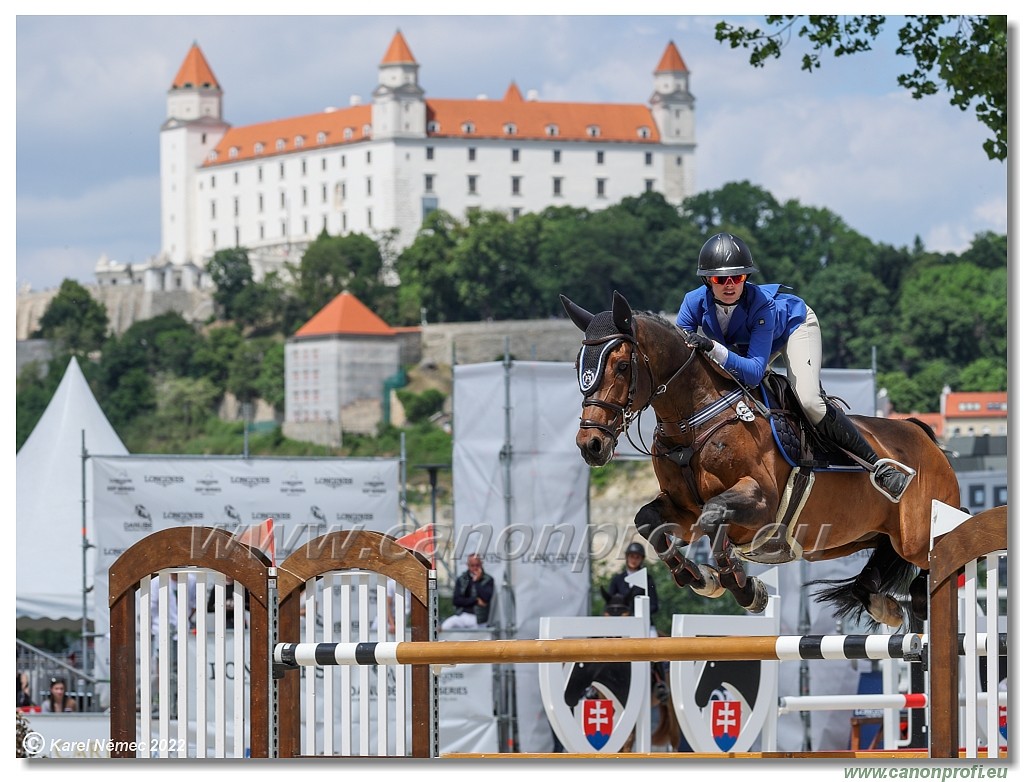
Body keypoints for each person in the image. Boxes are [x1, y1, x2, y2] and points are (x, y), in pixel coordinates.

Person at [674, 232, 911, 502]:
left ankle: (878, 466)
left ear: (746, 278)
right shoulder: (692, 302)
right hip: (747, 345)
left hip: (794, 327)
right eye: (720, 279)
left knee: (809, 401)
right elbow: (682, 356)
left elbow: (753, 372)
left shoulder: (761, 305)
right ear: (707, 280)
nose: (730, 285)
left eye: (737, 278)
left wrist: (712, 347)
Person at [607, 542, 659, 633]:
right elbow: (609, 602)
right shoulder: (617, 579)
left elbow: (654, 605)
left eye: (637, 557)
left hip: (644, 624)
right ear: (627, 557)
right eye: (631, 556)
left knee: (653, 637)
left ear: (642, 559)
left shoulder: (647, 579)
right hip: (620, 623)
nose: (634, 560)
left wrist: (636, 614)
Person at [441, 553, 494, 630]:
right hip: (462, 614)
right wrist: (475, 600)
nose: (475, 568)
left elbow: (486, 599)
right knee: (445, 626)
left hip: (479, 619)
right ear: (468, 565)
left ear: (481, 564)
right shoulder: (462, 579)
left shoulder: (488, 579)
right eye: (472, 565)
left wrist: (477, 582)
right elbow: (456, 600)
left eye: (477, 565)